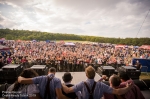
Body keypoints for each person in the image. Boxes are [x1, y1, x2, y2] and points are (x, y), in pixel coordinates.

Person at [62, 66, 133, 99]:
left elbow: (67, 90)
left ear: (86, 75)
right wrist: (128, 87)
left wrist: (61, 84)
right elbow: (118, 92)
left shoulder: (82, 84)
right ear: (95, 74)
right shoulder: (101, 85)